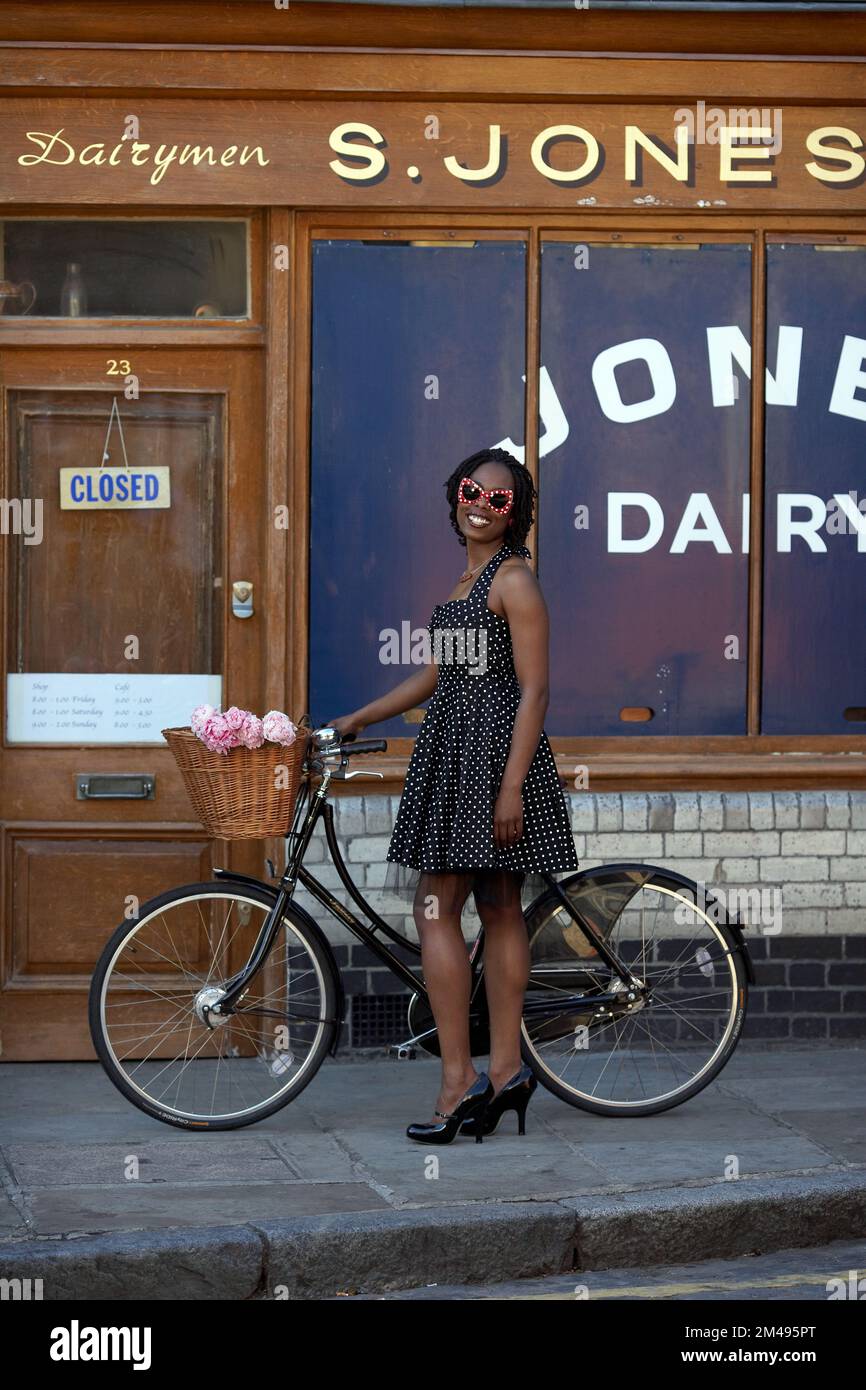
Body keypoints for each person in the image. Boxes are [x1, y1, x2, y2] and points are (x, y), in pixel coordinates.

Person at [327, 446, 579, 1142]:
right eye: (473, 490)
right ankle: (503, 1076)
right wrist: (361, 716)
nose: (481, 504)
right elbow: (433, 678)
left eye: (499, 499)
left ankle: (459, 1080)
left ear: (515, 512)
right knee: (497, 907)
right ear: (456, 494)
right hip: (454, 752)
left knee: (437, 907)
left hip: (494, 758)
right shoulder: (466, 581)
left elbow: (536, 690)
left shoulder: (514, 581)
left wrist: (512, 786)